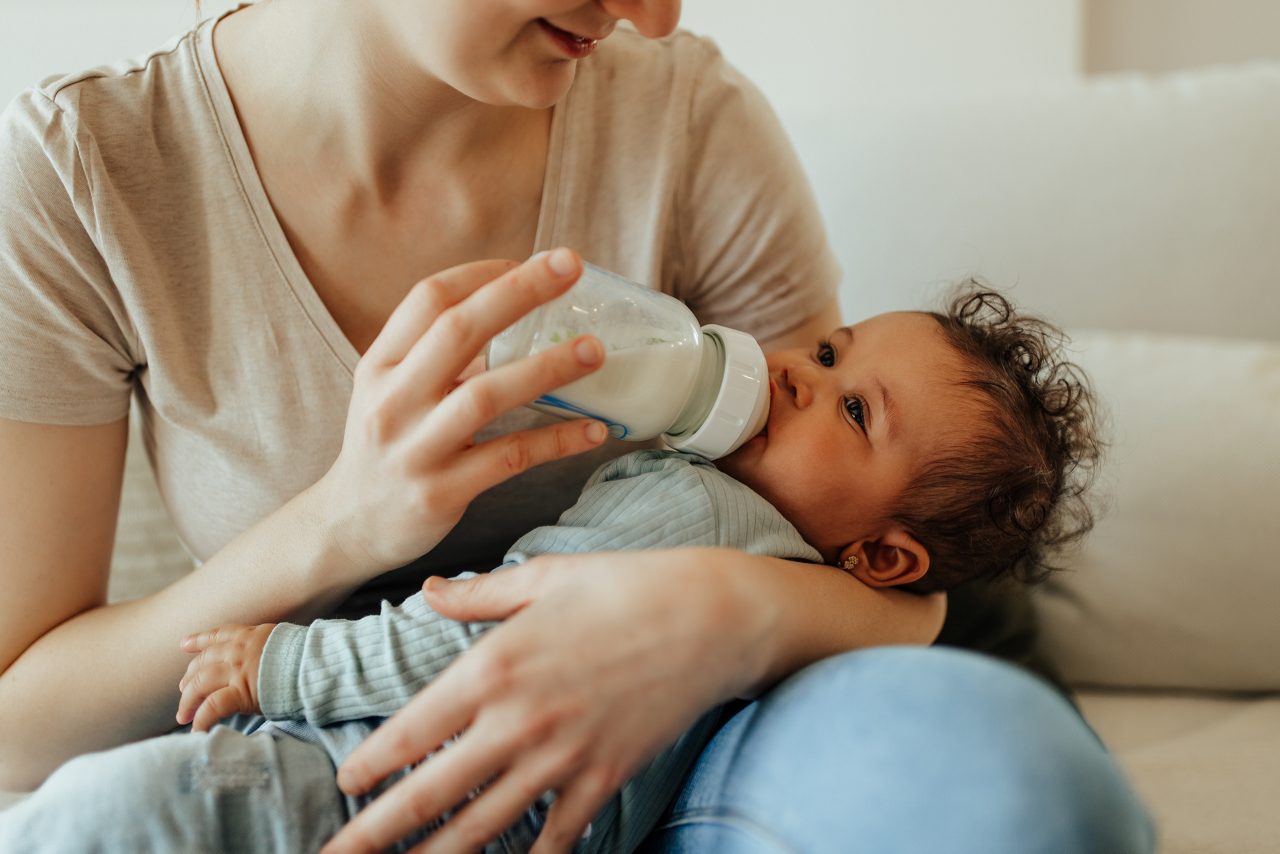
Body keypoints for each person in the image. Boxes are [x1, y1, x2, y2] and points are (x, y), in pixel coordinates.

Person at [0, 0, 1153, 851]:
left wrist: (721, 608)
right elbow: (18, 730)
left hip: (690, 756)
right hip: (342, 751)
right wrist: (338, 525)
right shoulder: (84, 172)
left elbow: (894, 576)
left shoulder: (685, 120)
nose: (651, 17)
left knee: (1028, 792)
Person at [0, 290, 1148, 853]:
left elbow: (478, 640)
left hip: (390, 773)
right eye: (828, 349)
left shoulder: (695, 506)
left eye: (852, 407)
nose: (797, 370)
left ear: (882, 553)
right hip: (498, 807)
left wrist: (284, 661)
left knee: (119, 812)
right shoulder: (741, 520)